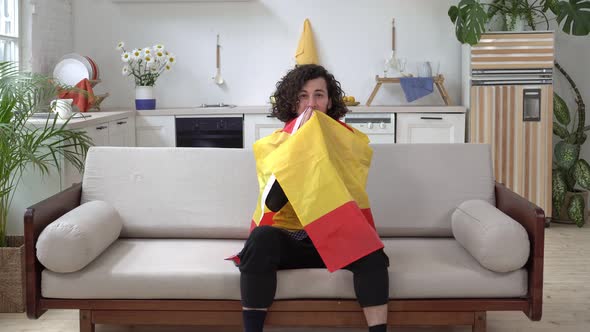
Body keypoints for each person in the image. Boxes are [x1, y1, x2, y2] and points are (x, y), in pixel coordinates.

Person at [236, 64, 390, 332]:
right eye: (303, 96)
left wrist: (319, 145)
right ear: (292, 102)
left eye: (319, 95)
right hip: (289, 240)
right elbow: (272, 203)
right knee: (259, 240)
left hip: (332, 235)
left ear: (330, 101)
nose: (311, 103)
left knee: (372, 251)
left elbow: (348, 196)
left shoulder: (347, 142)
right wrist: (299, 144)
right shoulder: (272, 144)